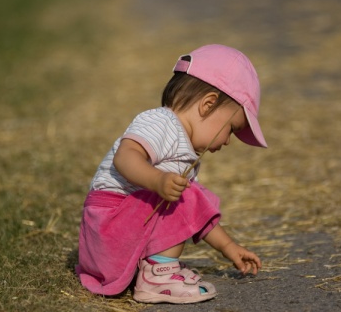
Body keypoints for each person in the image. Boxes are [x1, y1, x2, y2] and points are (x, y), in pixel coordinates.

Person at [76, 44, 268, 304]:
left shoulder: (185, 153)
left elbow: (193, 215)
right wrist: (157, 180)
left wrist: (229, 247)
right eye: (231, 129)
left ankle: (152, 267)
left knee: (187, 196)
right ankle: (158, 277)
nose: (227, 141)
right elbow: (126, 156)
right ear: (208, 104)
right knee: (185, 195)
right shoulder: (162, 122)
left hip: (117, 242)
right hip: (108, 233)